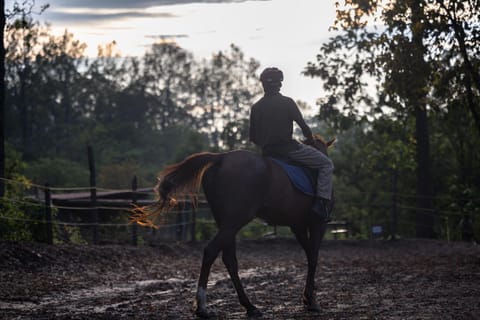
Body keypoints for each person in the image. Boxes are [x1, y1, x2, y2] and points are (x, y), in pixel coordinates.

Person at [249, 67, 334, 219]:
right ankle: (321, 204)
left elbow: (253, 138)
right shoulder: (287, 102)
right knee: (326, 164)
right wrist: (310, 141)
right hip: (290, 149)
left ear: (263, 84)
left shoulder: (256, 108)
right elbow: (305, 128)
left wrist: (267, 142)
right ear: (280, 84)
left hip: (268, 153)